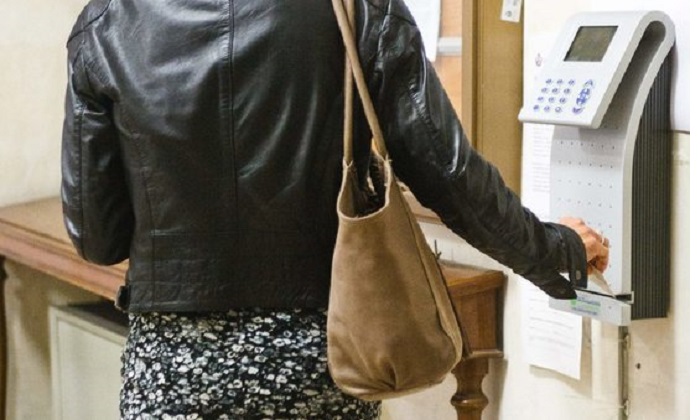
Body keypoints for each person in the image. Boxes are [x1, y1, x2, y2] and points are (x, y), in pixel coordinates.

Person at [61, 0, 609, 418]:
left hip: (175, 371)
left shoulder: (106, 24)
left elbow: (98, 238)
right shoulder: (357, 8)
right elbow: (447, 173)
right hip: (321, 355)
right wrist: (554, 250)